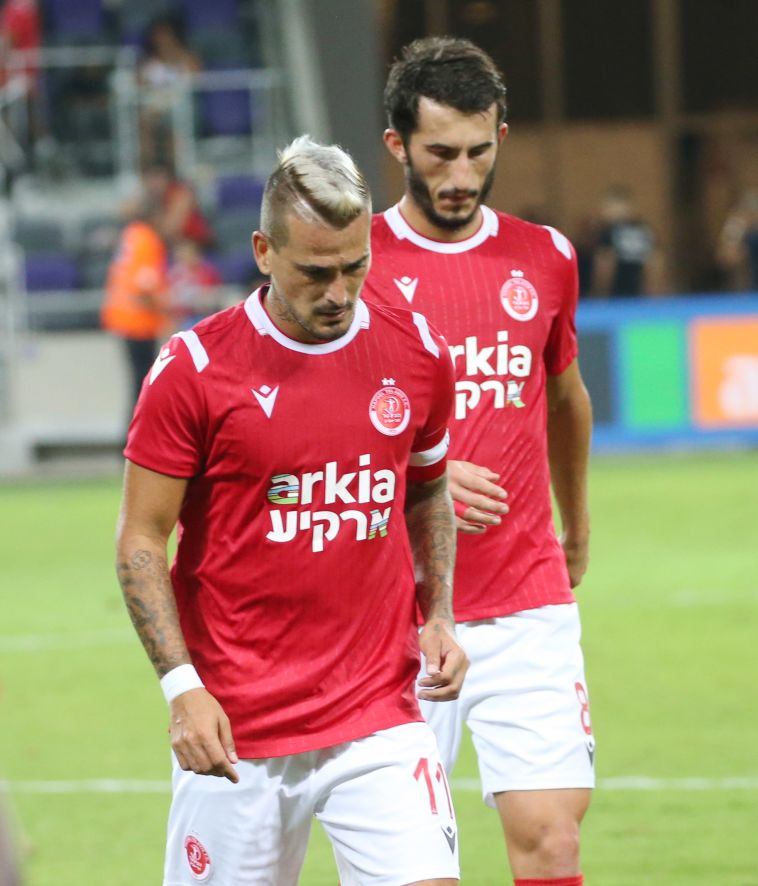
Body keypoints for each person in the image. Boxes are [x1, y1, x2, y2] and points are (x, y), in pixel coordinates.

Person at [115, 136, 467, 886]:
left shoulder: (416, 352)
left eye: (355, 266)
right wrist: (182, 688)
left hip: (378, 714)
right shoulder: (194, 370)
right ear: (264, 252)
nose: (339, 292)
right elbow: (142, 538)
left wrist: (438, 613)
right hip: (237, 729)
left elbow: (428, 486)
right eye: (315, 272)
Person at [362, 37, 594, 886]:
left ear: (500, 135)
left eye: (477, 151)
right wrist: (417, 474)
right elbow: (306, 433)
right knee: (414, 868)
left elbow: (566, 398)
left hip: (527, 596)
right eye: (439, 154)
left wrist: (576, 523)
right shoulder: (353, 270)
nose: (461, 175)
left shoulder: (547, 257)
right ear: (397, 145)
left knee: (553, 841)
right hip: (396, 611)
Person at [101, 205, 171, 428]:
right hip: (140, 322)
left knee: (138, 384)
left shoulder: (130, 235)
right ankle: (137, 438)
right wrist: (167, 314)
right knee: (144, 386)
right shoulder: (148, 241)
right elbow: (145, 290)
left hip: (123, 318)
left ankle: (130, 437)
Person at [592, 185, 656, 296]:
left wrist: (600, 294)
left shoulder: (609, 232)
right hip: (639, 291)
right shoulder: (643, 229)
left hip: (616, 292)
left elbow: (604, 266)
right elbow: (655, 263)